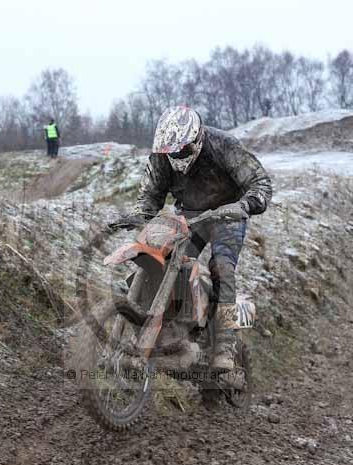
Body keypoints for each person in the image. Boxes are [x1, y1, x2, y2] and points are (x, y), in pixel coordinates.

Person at [109, 106, 272, 372]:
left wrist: (245, 205)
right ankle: (173, 328)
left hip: (228, 213)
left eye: (181, 151)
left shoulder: (223, 145)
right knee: (162, 259)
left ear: (196, 141)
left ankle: (225, 346)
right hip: (190, 214)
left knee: (222, 267)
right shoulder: (163, 155)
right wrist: (140, 216)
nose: (175, 157)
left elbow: (260, 182)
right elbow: (151, 194)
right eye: (171, 152)